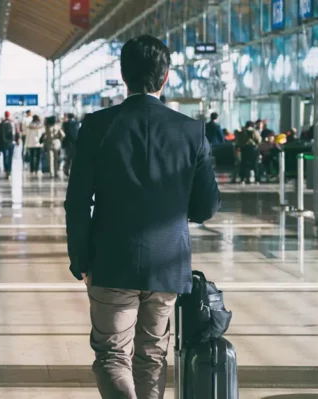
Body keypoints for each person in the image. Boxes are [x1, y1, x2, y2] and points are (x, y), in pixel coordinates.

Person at [65, 35, 220, 399]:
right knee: (152, 356)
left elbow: (76, 202)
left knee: (112, 355)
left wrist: (81, 261)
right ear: (165, 78)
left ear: (123, 75)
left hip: (110, 261)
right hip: (167, 265)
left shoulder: (97, 126)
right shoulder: (191, 131)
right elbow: (206, 207)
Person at [0, 111, 18, 179]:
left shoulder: (1, 124)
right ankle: (9, 171)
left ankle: (7, 170)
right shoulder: (13, 123)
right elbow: (17, 132)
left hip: (4, 143)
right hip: (12, 142)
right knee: (10, 157)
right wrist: (17, 140)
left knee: (5, 157)